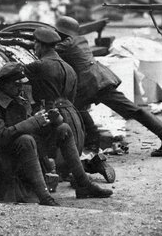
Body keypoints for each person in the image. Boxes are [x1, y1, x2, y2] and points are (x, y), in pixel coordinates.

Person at [0, 62, 112, 206]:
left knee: (63, 129)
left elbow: (25, 127)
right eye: (17, 85)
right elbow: (0, 137)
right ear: (4, 84)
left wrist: (51, 121)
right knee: (26, 140)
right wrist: (34, 122)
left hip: (13, 154)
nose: (20, 89)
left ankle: (83, 184)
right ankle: (45, 197)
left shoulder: (15, 98)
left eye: (22, 85)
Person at [54, 16, 162, 157]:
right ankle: (93, 141)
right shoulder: (79, 40)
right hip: (98, 82)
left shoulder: (68, 43)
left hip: (93, 85)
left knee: (132, 111)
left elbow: (50, 48)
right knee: (79, 108)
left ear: (61, 33)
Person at [24, 27, 115, 183]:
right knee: (68, 157)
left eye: (35, 44)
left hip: (54, 115)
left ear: (42, 45)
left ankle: (80, 169)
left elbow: (13, 74)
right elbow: (72, 97)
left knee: (33, 142)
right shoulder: (70, 68)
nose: (34, 48)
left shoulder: (39, 65)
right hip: (74, 117)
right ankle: (89, 165)